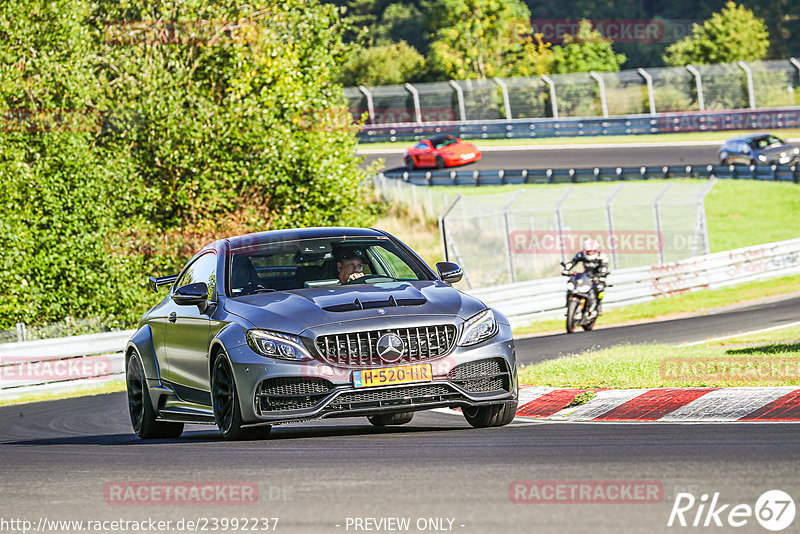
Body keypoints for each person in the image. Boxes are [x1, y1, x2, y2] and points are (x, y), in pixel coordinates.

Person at [562, 238, 609, 315]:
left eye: (592, 251)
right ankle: (569, 306)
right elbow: (572, 262)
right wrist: (566, 269)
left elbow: (604, 267)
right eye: (588, 251)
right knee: (571, 287)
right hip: (585, 276)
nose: (590, 253)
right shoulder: (581, 255)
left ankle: (598, 305)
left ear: (596, 250)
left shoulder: (602, 256)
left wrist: (602, 275)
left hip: (598, 277)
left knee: (600, 289)